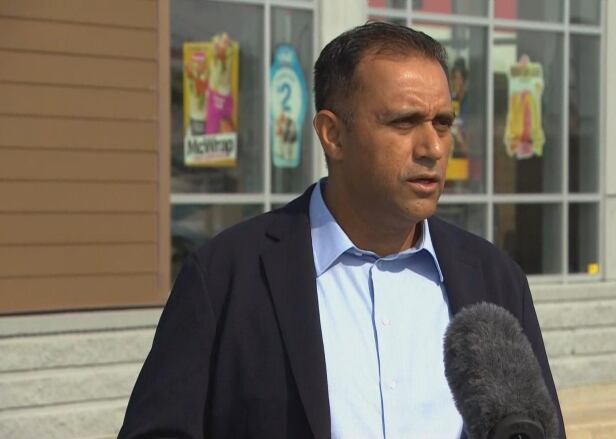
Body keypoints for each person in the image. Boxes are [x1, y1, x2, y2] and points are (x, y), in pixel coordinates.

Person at [119, 22, 565, 439]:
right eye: (404, 122)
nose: (432, 147)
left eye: (443, 123)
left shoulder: (494, 279)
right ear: (333, 134)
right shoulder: (226, 277)